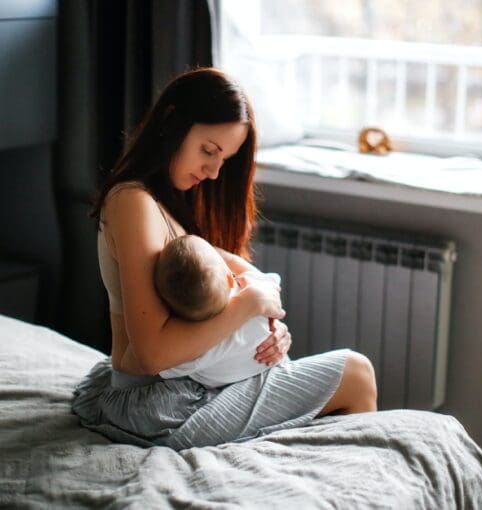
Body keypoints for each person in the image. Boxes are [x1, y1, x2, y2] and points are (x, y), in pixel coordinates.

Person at [72, 67, 377, 451]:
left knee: (342, 378)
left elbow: (245, 281)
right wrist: (248, 305)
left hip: (185, 384)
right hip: (159, 404)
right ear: (172, 123)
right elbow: (151, 354)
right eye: (209, 151)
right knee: (356, 373)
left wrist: (268, 329)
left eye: (225, 159)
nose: (215, 172)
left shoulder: (166, 205)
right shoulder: (134, 203)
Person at [149, 233, 288, 388]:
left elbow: (162, 366)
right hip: (276, 367)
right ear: (230, 277)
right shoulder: (251, 287)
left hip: (234, 390)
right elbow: (273, 285)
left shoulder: (197, 352)